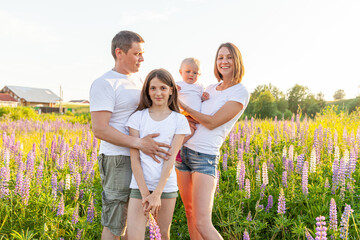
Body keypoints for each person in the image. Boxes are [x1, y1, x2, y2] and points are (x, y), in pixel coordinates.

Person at [90, 31, 171, 240]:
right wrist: (139, 143)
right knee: (115, 223)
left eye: (142, 54)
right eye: (137, 54)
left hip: (142, 159)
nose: (142, 59)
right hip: (118, 159)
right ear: (119, 52)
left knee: (135, 223)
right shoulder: (105, 83)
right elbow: (100, 128)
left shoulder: (139, 79)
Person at [175, 42, 250, 240]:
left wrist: (181, 105)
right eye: (220, 57)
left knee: (202, 222)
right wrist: (186, 118)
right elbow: (195, 114)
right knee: (190, 214)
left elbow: (211, 122)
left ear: (237, 61)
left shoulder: (240, 92)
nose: (224, 61)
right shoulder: (209, 88)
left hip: (204, 156)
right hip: (183, 152)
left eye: (229, 57)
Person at [126, 69, 191, 240]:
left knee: (162, 235)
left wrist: (157, 194)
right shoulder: (137, 118)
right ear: (147, 91)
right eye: (153, 88)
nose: (158, 93)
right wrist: (146, 194)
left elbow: (170, 161)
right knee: (134, 236)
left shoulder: (179, 120)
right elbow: (135, 160)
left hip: (166, 188)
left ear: (171, 90)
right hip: (139, 187)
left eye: (163, 88)